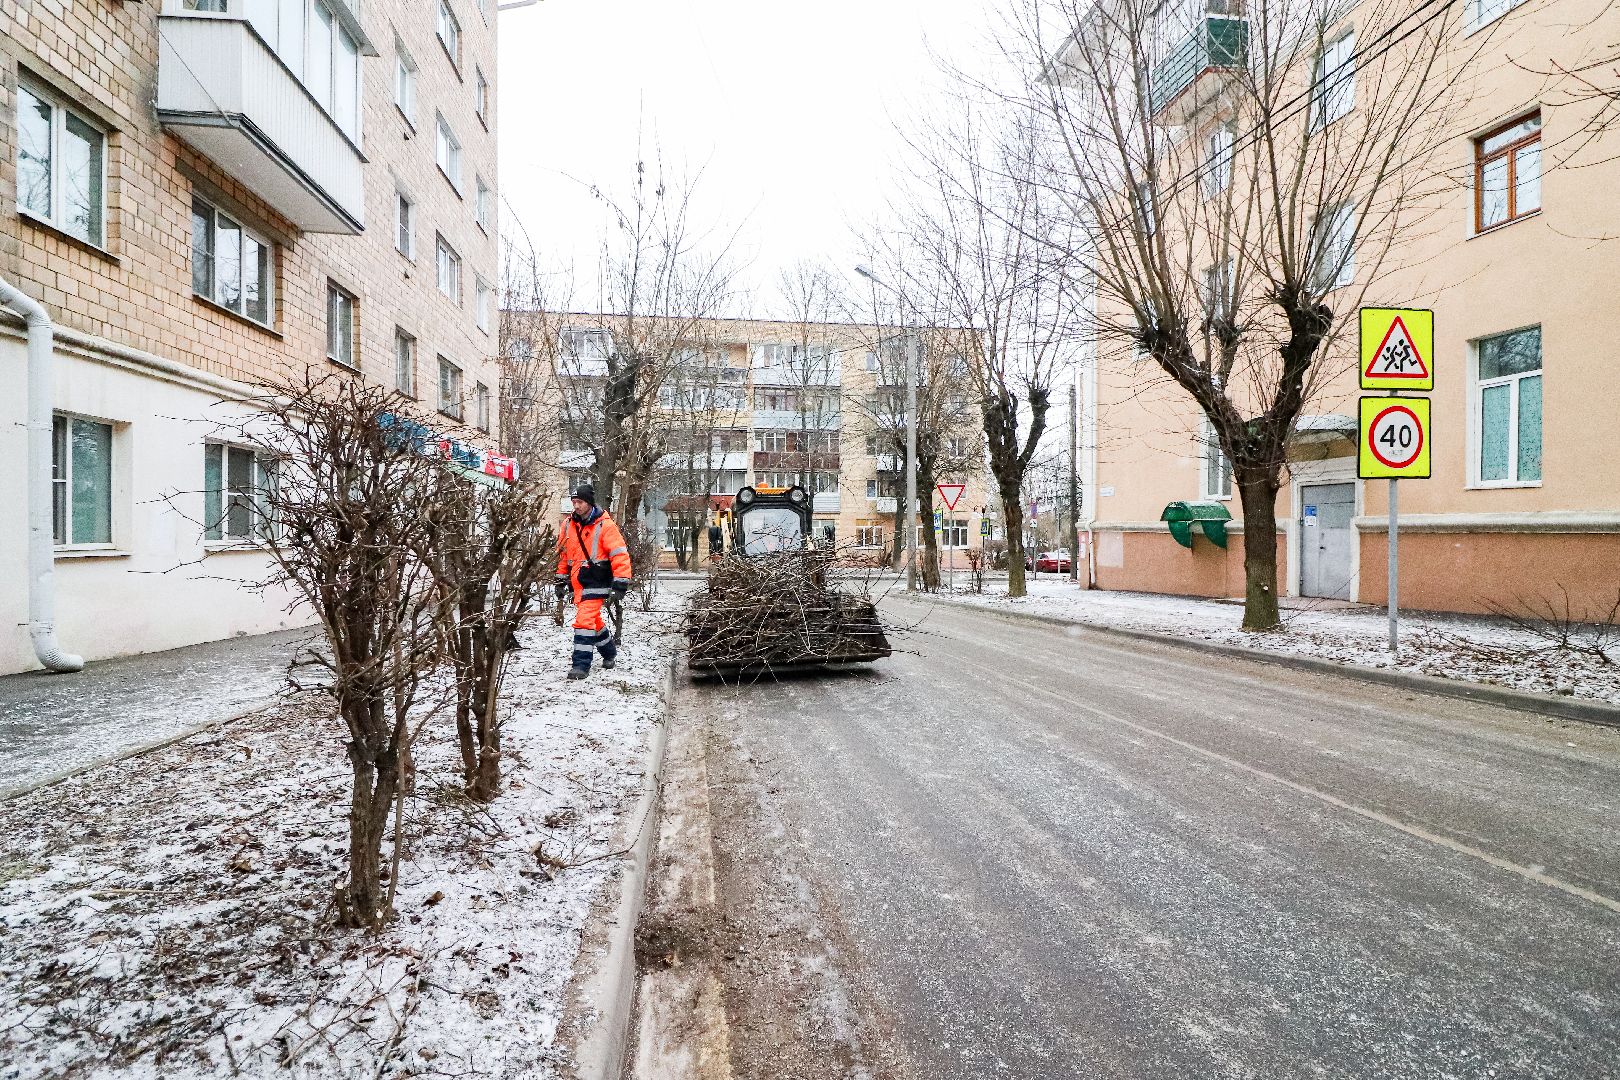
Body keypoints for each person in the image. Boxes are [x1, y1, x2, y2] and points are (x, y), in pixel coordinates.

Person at [554, 483, 633, 680]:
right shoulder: (567, 525)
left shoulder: (605, 525)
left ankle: (581, 665)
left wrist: (621, 582)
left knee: (583, 622)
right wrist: (560, 579)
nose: (576, 506)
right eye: (574, 502)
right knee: (593, 621)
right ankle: (609, 652)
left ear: (589, 502)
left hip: (598, 581)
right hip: (578, 583)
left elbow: (619, 555)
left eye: (579, 501)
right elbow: (563, 555)